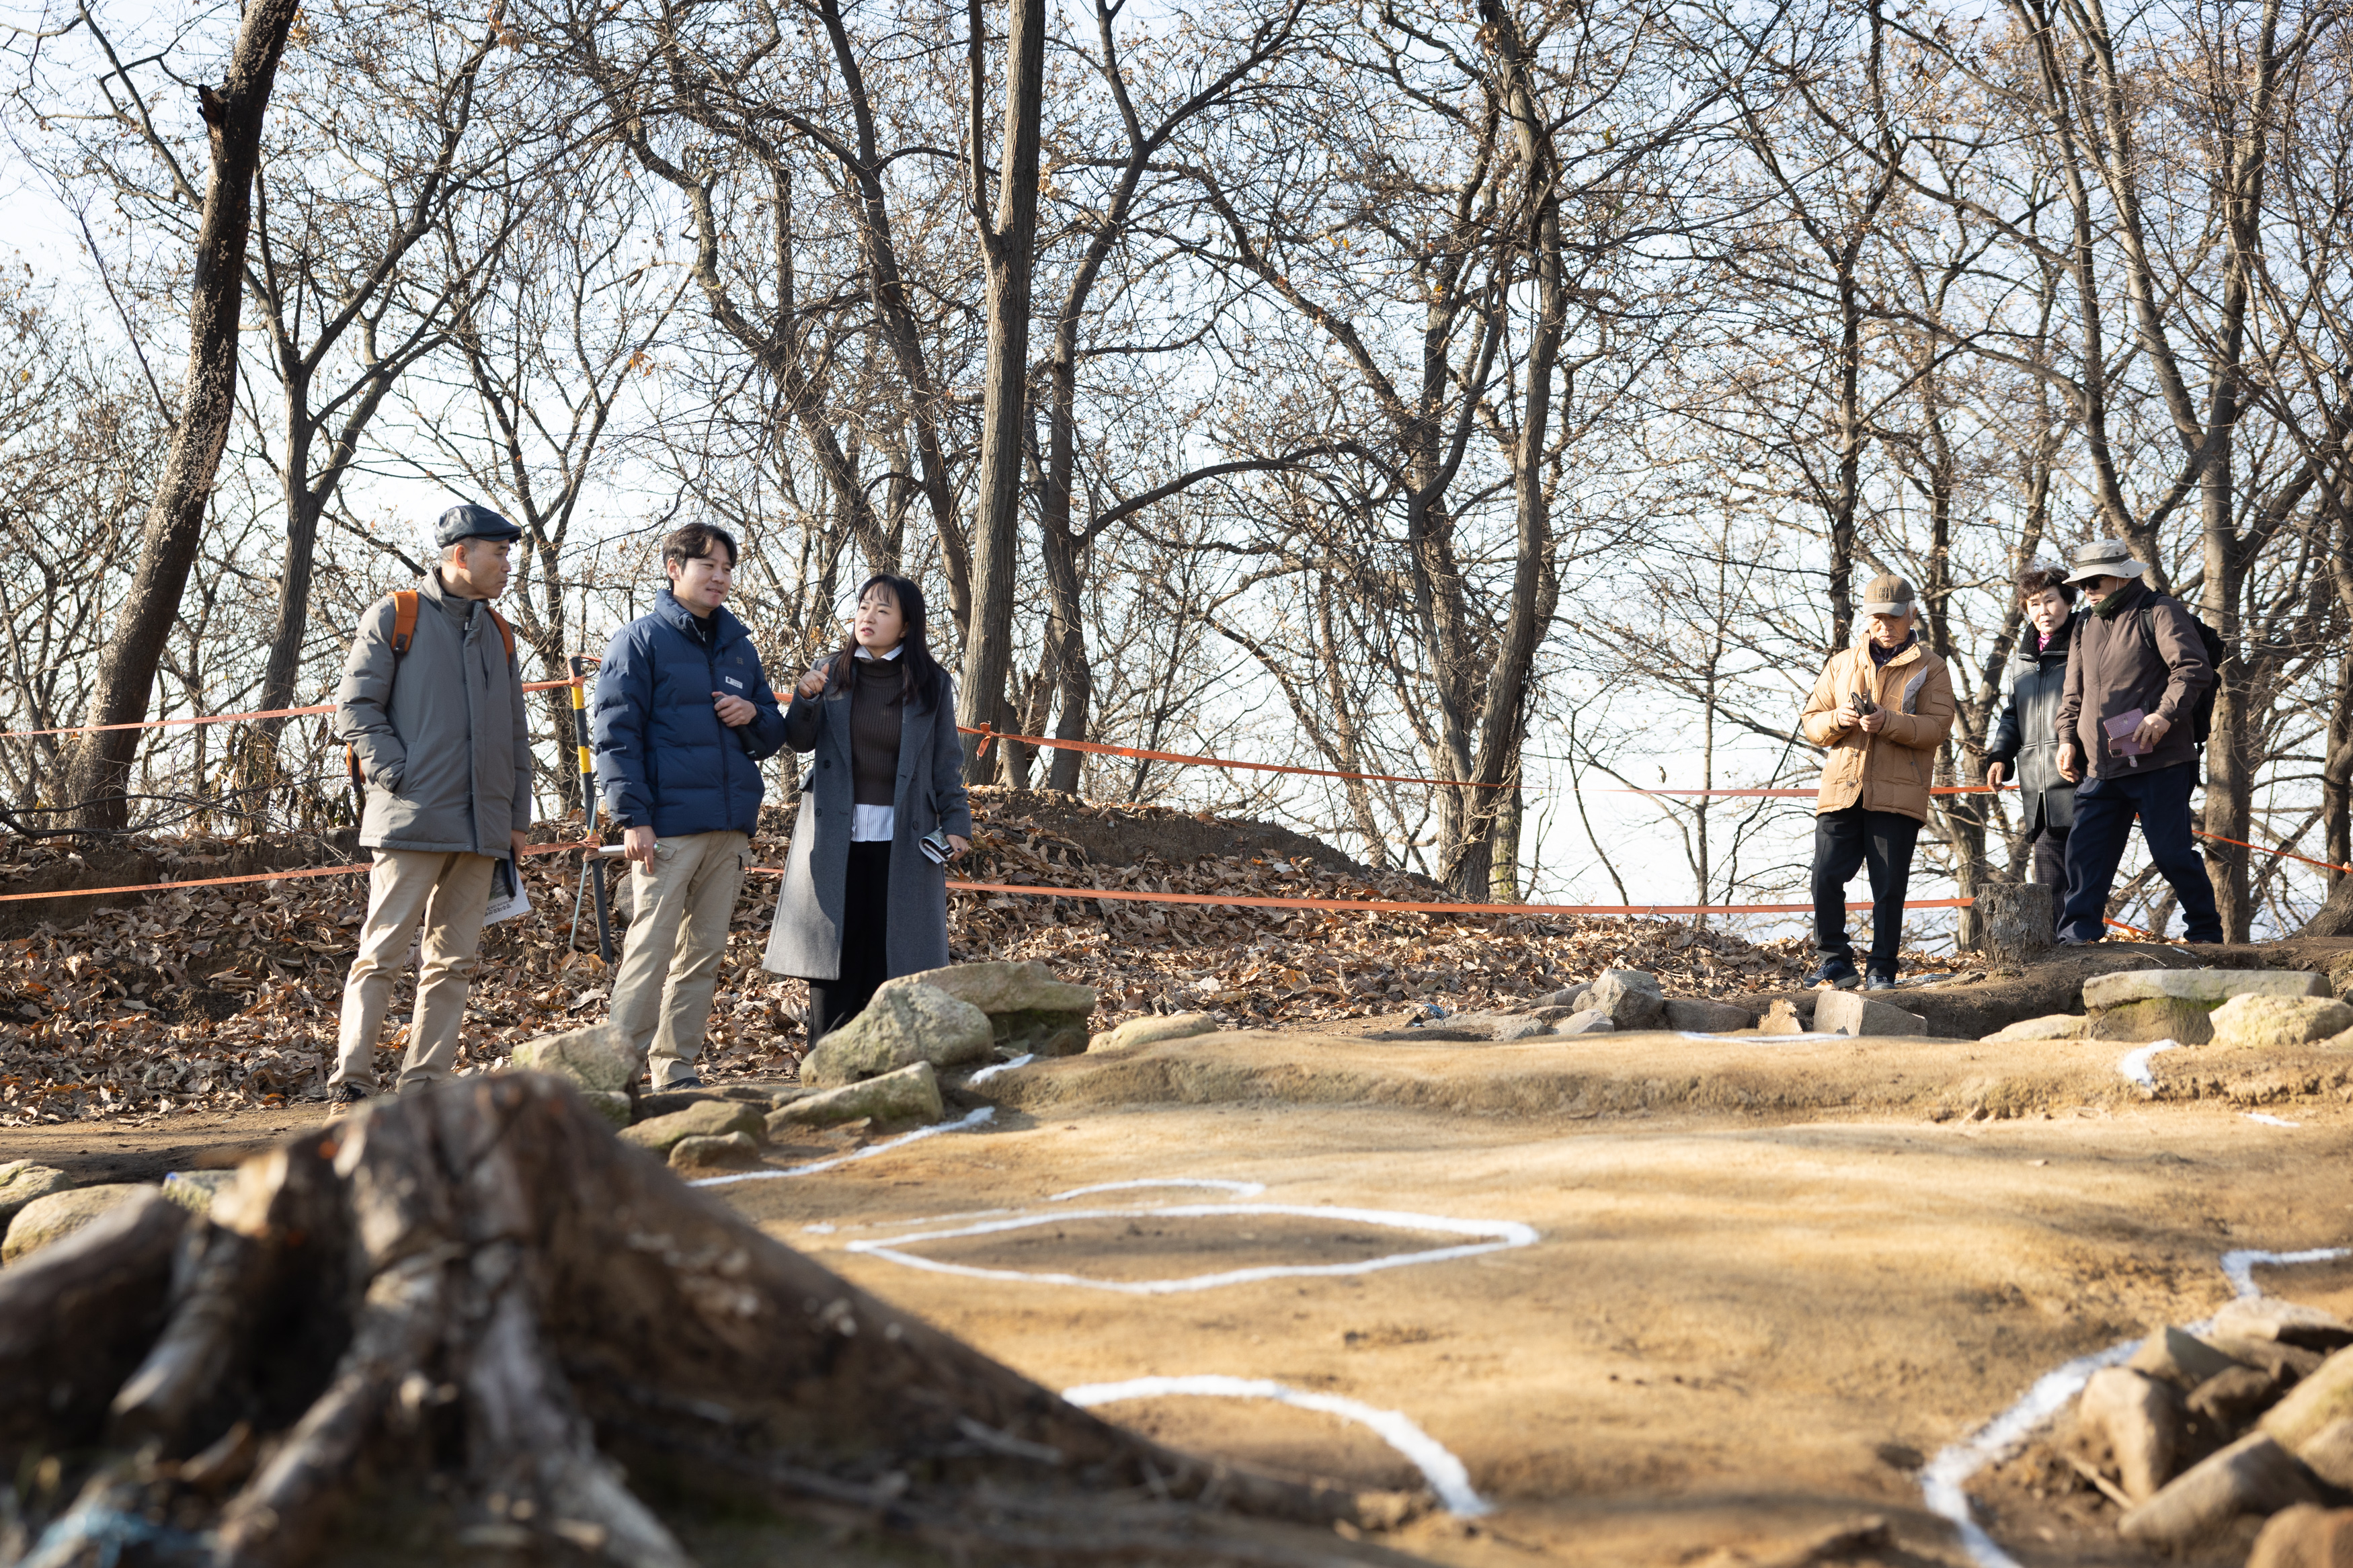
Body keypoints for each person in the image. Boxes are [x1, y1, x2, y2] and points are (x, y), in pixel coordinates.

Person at [329, 503, 532, 1116]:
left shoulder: (500, 633)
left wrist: (518, 820)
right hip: (410, 820)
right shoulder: (398, 615)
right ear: (460, 554)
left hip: (482, 829)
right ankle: (353, 1082)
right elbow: (355, 708)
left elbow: (516, 735)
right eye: (499, 553)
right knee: (382, 953)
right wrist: (402, 776)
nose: (507, 566)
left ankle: (423, 1090)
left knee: (453, 964)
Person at [592, 523, 789, 1091]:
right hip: (666, 830)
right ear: (674, 568)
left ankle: (675, 1069)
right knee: (649, 954)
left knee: (702, 955)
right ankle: (617, 1076)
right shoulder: (639, 640)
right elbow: (615, 736)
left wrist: (753, 716)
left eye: (727, 568)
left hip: (729, 829)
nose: (721, 577)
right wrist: (634, 818)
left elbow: (773, 731)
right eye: (709, 566)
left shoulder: (739, 647)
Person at [762, 573, 971, 1040]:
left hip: (905, 838)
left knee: (891, 954)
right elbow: (798, 739)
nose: (867, 616)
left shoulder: (931, 683)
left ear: (906, 626)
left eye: (882, 610)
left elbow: (945, 762)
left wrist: (956, 820)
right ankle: (825, 1065)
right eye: (863, 606)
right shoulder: (830, 670)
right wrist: (805, 697)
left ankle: (885, 1066)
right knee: (833, 956)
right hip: (834, 835)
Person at [2052, 537, 2221, 944]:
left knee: (2171, 854)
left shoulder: (2160, 610)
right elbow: (2073, 693)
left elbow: (2193, 669)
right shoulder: (2083, 625)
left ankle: (2206, 933)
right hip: (2100, 767)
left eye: (2095, 582)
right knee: (2084, 854)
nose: (2087, 590)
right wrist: (2066, 739)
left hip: (2161, 761)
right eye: (2082, 584)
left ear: (2122, 577)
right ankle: (2077, 938)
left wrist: (2163, 715)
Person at [1798, 573, 1956, 991]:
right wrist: (1838, 720)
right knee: (1825, 875)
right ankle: (1835, 961)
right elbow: (1812, 721)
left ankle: (1882, 967)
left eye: (1893, 617)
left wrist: (1888, 722)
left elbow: (1937, 728)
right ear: (1865, 619)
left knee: (1889, 887)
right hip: (1842, 789)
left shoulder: (1932, 667)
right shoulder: (1841, 663)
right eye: (1875, 618)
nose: (1884, 626)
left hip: (1898, 792)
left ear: (1912, 614)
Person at [1984, 563, 2080, 891]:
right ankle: (2058, 944)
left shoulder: (2085, 646)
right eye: (2034, 604)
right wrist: (2000, 755)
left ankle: (2084, 943)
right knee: (2050, 884)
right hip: (2038, 791)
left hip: (2079, 779)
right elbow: (2013, 713)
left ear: (2068, 601)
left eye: (2051, 601)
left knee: (2083, 882)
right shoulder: (2023, 658)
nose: (2044, 611)